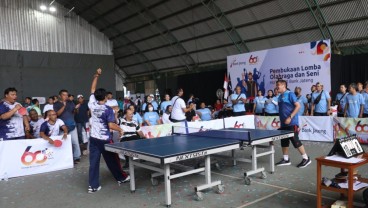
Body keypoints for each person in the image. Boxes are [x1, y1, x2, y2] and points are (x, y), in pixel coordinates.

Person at [87, 68, 130, 193]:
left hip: (93, 139)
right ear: (106, 97)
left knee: (93, 163)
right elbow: (111, 125)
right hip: (105, 140)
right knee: (113, 160)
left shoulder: (91, 103)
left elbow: (92, 90)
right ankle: (121, 178)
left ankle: (93, 186)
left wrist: (96, 76)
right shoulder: (108, 110)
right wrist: (120, 129)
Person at [275, 80, 311, 168]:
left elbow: (298, 106)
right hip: (284, 124)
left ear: (284, 85)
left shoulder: (290, 94)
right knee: (284, 141)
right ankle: (286, 159)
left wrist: (290, 117)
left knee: (295, 140)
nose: (277, 87)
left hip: (292, 122)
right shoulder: (279, 97)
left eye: (278, 85)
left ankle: (306, 158)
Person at [53, 89, 81, 164]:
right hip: (62, 127)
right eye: (64, 95)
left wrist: (76, 109)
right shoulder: (56, 104)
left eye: (66, 95)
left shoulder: (70, 102)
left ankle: (76, 157)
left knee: (75, 142)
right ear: (60, 96)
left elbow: (74, 112)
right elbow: (57, 114)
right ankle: (63, 158)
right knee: (63, 143)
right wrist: (63, 106)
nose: (66, 96)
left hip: (72, 125)